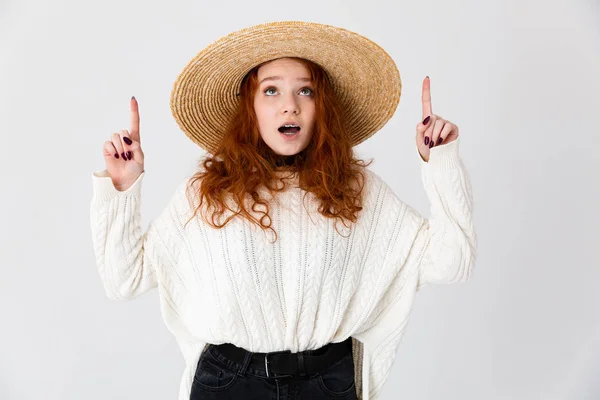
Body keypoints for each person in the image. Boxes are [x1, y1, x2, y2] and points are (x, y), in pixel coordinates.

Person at [90, 21, 476, 400]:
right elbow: (123, 281)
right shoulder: (207, 193)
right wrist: (123, 188)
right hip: (229, 385)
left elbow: (451, 263)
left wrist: (440, 162)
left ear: (319, 107)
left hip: (327, 382)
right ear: (250, 108)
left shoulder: (355, 191)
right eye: (271, 90)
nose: (289, 106)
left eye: (304, 91)